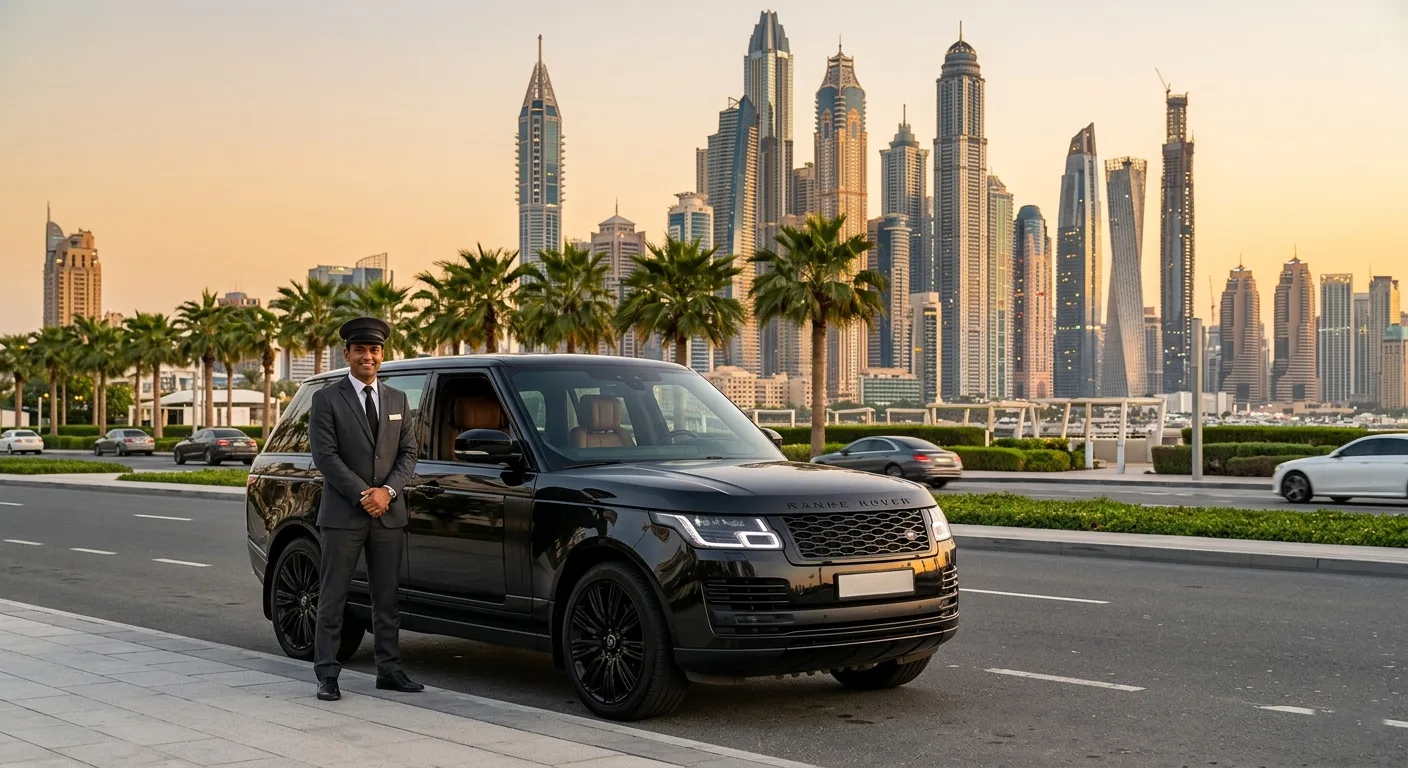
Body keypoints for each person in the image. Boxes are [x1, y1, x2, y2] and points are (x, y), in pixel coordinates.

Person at [309, 316, 423, 701]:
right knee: (333, 596)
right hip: (344, 515)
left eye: (374, 350)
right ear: (347, 354)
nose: (367, 356)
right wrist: (366, 494)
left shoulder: (397, 399)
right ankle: (327, 674)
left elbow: (409, 452)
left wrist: (388, 491)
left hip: (388, 513)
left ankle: (389, 671)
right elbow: (325, 457)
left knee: (386, 598)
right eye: (360, 350)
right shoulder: (326, 399)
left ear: (382, 354)